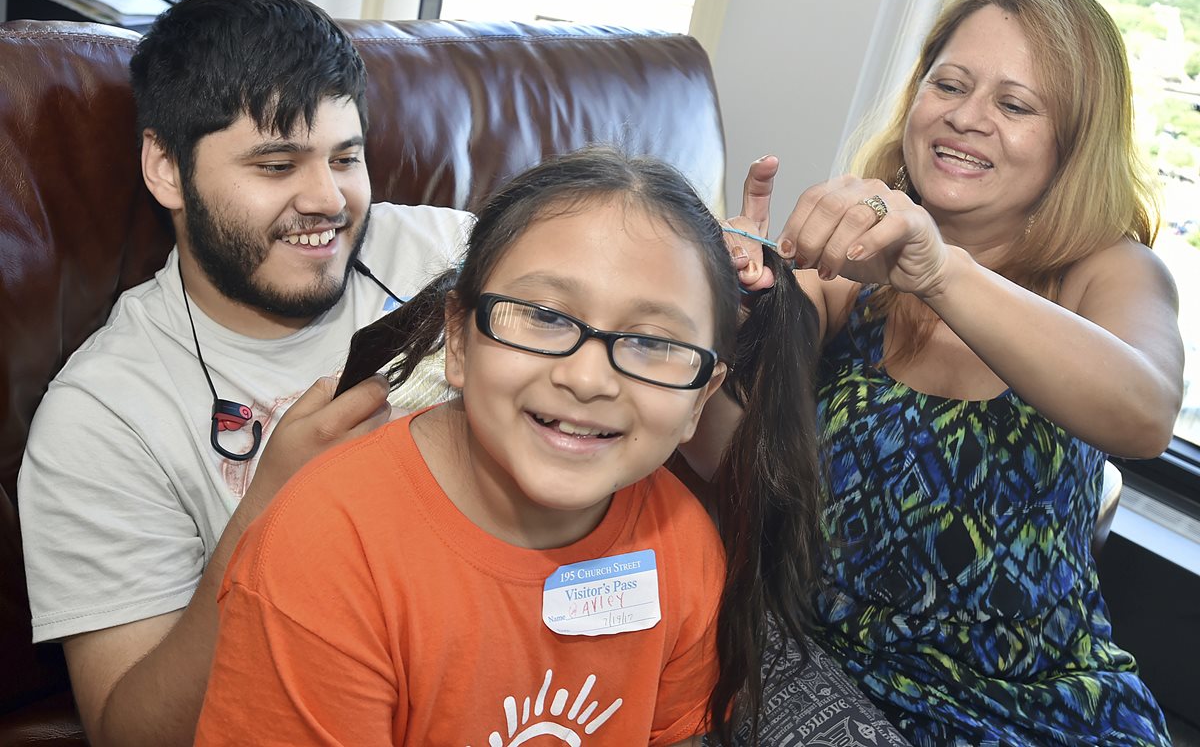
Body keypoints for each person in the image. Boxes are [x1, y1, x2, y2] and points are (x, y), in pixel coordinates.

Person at [192, 147, 823, 745]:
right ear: (459, 341)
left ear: (701, 399)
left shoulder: (683, 547)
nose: (587, 379)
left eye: (653, 342)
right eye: (545, 317)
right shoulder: (324, 555)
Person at [723, 0, 1184, 745]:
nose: (966, 118)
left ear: (1074, 141)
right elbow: (730, 433)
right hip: (837, 682)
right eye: (949, 84)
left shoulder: (1110, 271)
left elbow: (1144, 415)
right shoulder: (850, 260)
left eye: (1015, 105)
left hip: (1047, 701)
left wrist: (940, 271)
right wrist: (729, 307)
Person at [17, 0, 473, 747]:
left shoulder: (453, 256)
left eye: (346, 158)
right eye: (276, 165)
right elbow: (133, 732)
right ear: (167, 169)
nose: (328, 199)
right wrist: (275, 511)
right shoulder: (104, 417)